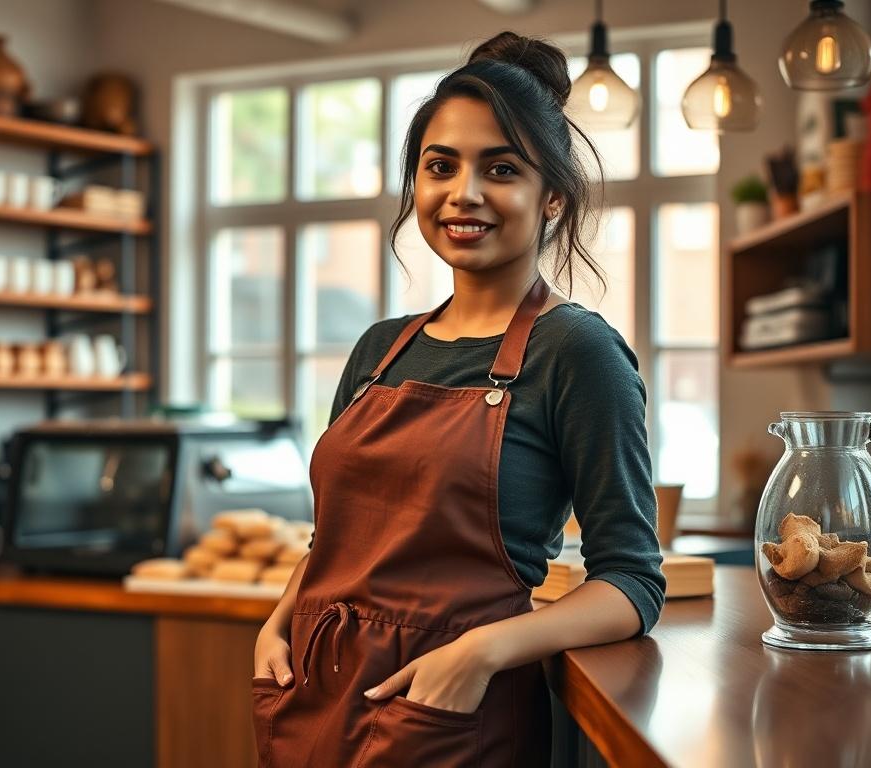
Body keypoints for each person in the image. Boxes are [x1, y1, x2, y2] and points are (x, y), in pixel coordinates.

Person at [252, 30, 665, 767]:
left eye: (501, 169)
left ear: (551, 200)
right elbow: (336, 538)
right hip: (315, 695)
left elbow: (631, 583)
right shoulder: (379, 349)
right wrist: (283, 615)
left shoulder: (578, 353)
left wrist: (482, 651)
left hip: (449, 717)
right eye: (440, 166)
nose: (462, 193)